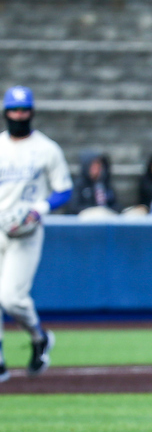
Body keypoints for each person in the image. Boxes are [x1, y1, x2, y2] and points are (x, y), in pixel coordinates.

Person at [0, 87, 73, 382]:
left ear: (31, 112)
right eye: (14, 110)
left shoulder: (46, 148)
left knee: (11, 298)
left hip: (26, 232)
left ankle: (38, 337)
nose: (19, 115)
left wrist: (40, 208)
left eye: (24, 110)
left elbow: (64, 189)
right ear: (6, 113)